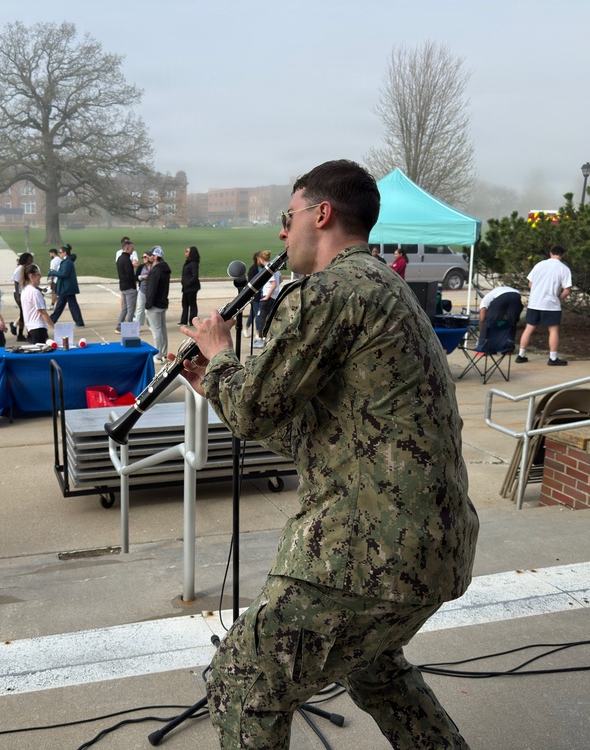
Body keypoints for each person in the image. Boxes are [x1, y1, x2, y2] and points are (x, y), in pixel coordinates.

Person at [178, 159, 478, 750]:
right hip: (431, 550)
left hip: (366, 550)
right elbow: (317, 435)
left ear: (322, 214)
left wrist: (219, 357)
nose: (282, 233)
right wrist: (211, 384)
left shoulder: (331, 290)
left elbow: (255, 409)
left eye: (286, 218)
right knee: (374, 668)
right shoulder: (386, 289)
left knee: (243, 682)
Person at [516, 244, 573, 366]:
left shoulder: (539, 265)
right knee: (553, 330)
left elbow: (530, 284)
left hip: (534, 302)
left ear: (550, 253)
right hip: (551, 304)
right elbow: (567, 290)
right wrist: (558, 299)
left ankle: (521, 355)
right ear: (563, 255)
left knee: (529, 328)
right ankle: (552, 358)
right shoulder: (564, 269)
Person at [475, 285, 523, 353]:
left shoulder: (484, 301)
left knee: (488, 321)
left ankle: (483, 346)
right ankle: (508, 347)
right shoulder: (494, 293)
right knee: (511, 322)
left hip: (502, 297)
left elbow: (482, 319)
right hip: (516, 295)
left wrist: (481, 331)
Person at [48, 244, 85, 326]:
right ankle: (51, 320)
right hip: (65, 288)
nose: (59, 254)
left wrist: (52, 272)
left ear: (65, 253)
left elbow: (64, 274)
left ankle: (79, 322)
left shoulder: (66, 262)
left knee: (72, 306)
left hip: (66, 288)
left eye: (60, 252)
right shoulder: (67, 261)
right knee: (60, 306)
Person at [145, 246, 170, 362]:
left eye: (150, 255)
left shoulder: (155, 271)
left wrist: (148, 304)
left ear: (155, 257)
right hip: (162, 303)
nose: (148, 257)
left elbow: (152, 290)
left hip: (155, 305)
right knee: (162, 330)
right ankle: (163, 353)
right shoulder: (164, 269)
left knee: (156, 331)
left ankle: (158, 355)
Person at [252, 250, 279, 348]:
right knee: (269, 317)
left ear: (261, 259)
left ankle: (263, 340)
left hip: (267, 297)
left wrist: (267, 296)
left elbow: (274, 283)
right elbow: (280, 279)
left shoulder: (268, 269)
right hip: (274, 296)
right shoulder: (275, 267)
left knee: (262, 318)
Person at [21, 264, 52, 344]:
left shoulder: (25, 290)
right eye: (38, 274)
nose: (40, 277)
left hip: (30, 328)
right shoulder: (35, 292)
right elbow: (42, 312)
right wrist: (54, 327)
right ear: (31, 276)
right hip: (38, 328)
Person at [10, 252, 35, 341]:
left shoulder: (27, 268)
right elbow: (16, 283)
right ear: (25, 260)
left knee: (24, 314)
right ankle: (20, 335)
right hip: (19, 294)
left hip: (24, 293)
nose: (32, 260)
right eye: (30, 259)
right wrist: (17, 296)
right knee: (24, 314)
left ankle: (16, 328)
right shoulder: (20, 269)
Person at [115, 241, 137, 332]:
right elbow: (130, 275)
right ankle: (128, 328)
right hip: (129, 287)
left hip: (123, 287)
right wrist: (135, 282)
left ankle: (119, 325)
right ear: (127, 249)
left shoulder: (120, 259)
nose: (133, 250)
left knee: (125, 308)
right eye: (132, 248)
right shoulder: (127, 260)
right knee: (131, 308)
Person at [242, 251, 263, 339]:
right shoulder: (253, 269)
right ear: (257, 258)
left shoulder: (264, 268)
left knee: (253, 314)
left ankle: (246, 328)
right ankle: (258, 333)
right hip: (256, 296)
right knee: (258, 314)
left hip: (263, 294)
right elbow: (250, 283)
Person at [179, 245, 201, 326]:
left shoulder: (194, 264)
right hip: (186, 287)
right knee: (184, 304)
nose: (185, 253)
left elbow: (195, 276)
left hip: (191, 288)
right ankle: (183, 321)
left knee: (192, 304)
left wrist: (188, 283)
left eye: (187, 251)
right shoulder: (187, 262)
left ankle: (192, 321)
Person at [134, 251, 151, 327]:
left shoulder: (154, 266)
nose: (144, 258)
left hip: (151, 291)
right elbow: (135, 277)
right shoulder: (141, 267)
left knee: (150, 309)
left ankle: (150, 324)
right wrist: (142, 277)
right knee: (140, 308)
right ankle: (138, 326)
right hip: (142, 289)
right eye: (143, 257)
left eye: (145, 257)